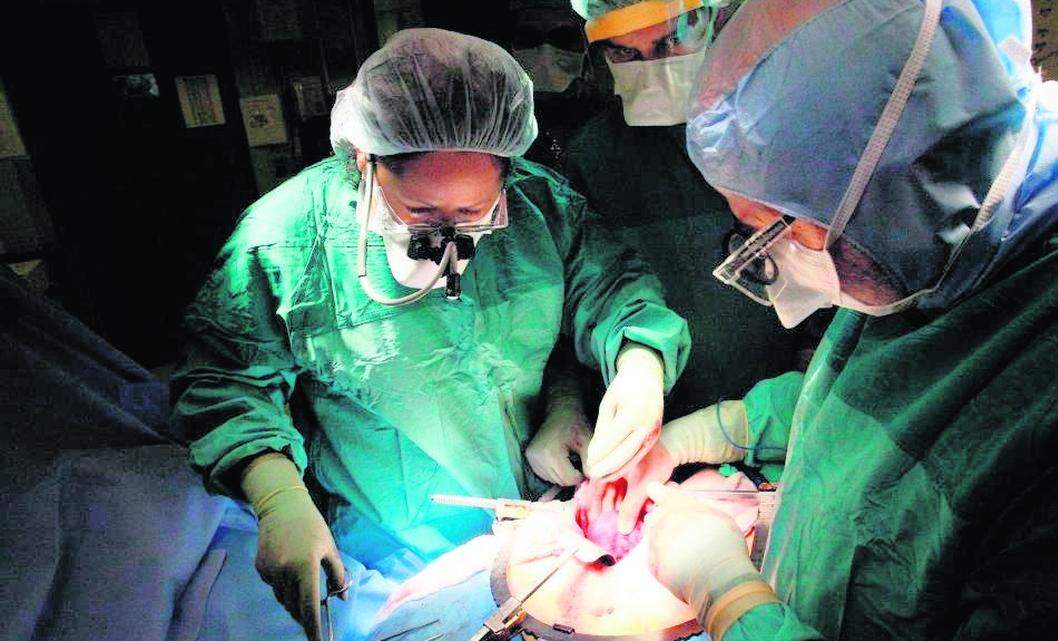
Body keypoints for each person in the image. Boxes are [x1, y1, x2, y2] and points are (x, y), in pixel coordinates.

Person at [597, 0, 1058, 639]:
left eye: (775, 232)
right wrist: (698, 436)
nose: (778, 268)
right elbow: (878, 402)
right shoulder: (942, 243)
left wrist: (727, 596)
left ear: (888, 192)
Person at [170, 28, 691, 641]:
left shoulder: (540, 208)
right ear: (365, 160)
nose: (449, 237)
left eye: (474, 214)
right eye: (421, 213)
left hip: (535, 517)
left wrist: (631, 368)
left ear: (507, 170)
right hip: (386, 545)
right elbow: (224, 378)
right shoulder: (284, 238)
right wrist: (275, 493)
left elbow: (610, 292)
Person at [541, 0, 808, 491]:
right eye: (625, 54)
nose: (654, 72)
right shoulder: (593, 161)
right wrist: (566, 405)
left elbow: (842, 324)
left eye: (669, 43)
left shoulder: (787, 138)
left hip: (782, 451)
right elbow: (567, 310)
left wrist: (782, 423)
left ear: (724, 20)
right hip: (635, 463)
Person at [508, 0, 610, 169]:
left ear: (588, 47)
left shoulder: (607, 126)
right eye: (530, 39)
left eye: (563, 39)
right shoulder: (497, 126)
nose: (545, 54)